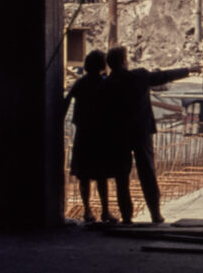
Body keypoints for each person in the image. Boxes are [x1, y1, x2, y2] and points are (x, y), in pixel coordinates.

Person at [101, 46, 193, 224]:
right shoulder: (139, 76)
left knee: (121, 178)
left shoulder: (106, 84)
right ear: (124, 61)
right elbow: (163, 76)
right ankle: (155, 214)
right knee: (147, 173)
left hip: (118, 135)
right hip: (141, 132)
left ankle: (126, 217)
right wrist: (189, 70)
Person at [64, 50, 116, 224]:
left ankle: (87, 211)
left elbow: (66, 103)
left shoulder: (80, 83)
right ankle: (105, 211)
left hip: (83, 133)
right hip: (101, 134)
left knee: (84, 175)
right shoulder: (106, 83)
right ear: (103, 65)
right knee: (102, 175)